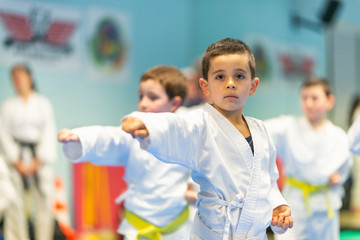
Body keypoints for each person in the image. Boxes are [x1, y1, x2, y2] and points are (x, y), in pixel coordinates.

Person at [122, 38, 293, 240]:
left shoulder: (261, 130)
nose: (230, 84)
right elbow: (175, 127)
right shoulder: (199, 124)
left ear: (253, 85)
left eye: (239, 76)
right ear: (205, 86)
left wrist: (277, 206)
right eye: (220, 77)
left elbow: (268, 180)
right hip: (215, 233)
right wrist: (146, 124)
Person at [58, 65, 197, 240]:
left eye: (152, 97)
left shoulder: (187, 131)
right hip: (136, 224)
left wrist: (195, 189)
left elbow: (203, 163)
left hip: (177, 228)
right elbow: (109, 138)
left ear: (175, 103)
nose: (143, 103)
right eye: (141, 96)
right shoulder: (133, 132)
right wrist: (80, 137)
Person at [264, 77, 352, 240]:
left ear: (329, 101)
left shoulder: (338, 136)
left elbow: (345, 167)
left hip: (326, 205)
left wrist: (338, 178)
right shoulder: (288, 127)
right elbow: (259, 131)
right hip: (296, 203)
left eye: (314, 98)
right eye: (305, 98)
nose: (309, 103)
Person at [0, 64, 56, 240]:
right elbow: (3, 134)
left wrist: (37, 162)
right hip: (15, 159)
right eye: (14, 77)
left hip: (38, 158)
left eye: (21, 76)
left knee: (44, 202)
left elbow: (48, 132)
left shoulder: (43, 103)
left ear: (30, 78)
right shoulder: (8, 105)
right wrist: (15, 161)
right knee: (13, 203)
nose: (18, 80)